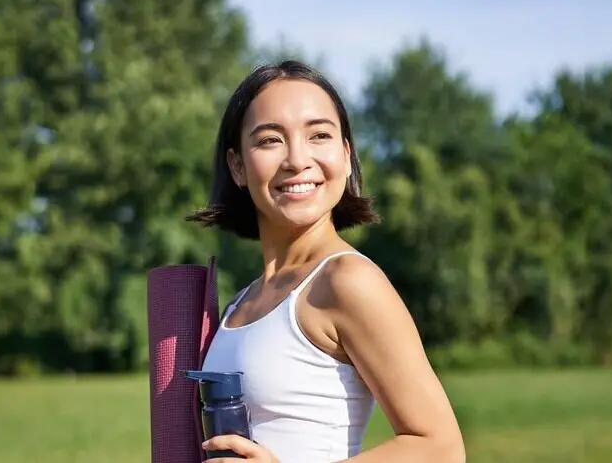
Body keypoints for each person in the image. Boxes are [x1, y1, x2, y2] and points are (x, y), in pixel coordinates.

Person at [185, 61, 465, 463]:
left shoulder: (347, 280)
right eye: (270, 140)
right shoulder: (241, 303)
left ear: (346, 155)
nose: (298, 159)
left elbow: (440, 447)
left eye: (319, 135)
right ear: (237, 166)